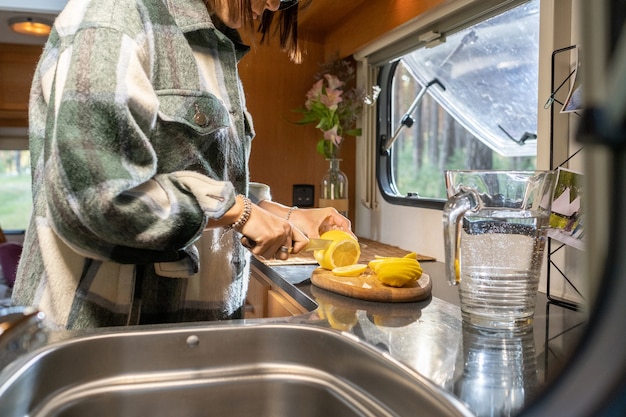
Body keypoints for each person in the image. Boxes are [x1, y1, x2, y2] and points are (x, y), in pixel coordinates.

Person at [12, 0, 352, 329]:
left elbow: (199, 175)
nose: (276, 6)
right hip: (102, 336)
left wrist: (283, 214)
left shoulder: (210, 43)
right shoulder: (116, 13)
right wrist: (237, 211)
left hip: (191, 332)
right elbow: (97, 198)